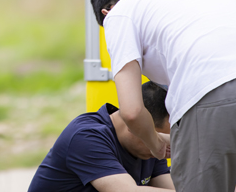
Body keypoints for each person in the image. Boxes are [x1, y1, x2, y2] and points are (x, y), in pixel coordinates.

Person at [91, 0, 236, 192]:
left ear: (106, 12)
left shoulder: (119, 14)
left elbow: (131, 111)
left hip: (212, 90)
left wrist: (155, 144)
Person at [28, 81, 174, 192]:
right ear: (135, 126)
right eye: (160, 137)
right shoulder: (85, 137)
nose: (163, 145)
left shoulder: (149, 149)